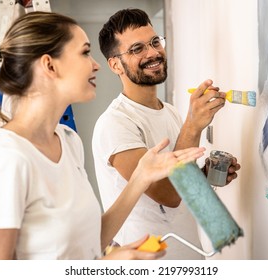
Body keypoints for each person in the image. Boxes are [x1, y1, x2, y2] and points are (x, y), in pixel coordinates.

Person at [0, 11, 205, 260]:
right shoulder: (5, 158)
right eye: (85, 52)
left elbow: (88, 244)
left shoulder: (67, 140)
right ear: (50, 65)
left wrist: (141, 176)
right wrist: (105, 267)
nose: (96, 64)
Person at [93, 8, 241, 259]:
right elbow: (168, 195)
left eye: (154, 42)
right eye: (137, 49)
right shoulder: (115, 123)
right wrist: (193, 126)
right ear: (115, 64)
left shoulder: (170, 112)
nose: (153, 53)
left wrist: (205, 177)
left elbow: (182, 193)